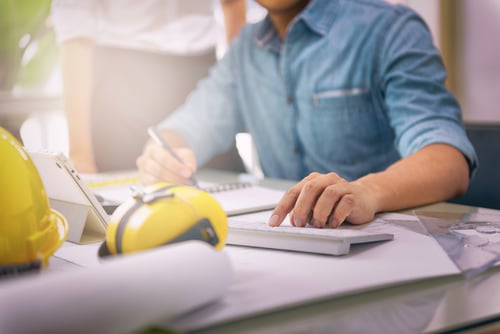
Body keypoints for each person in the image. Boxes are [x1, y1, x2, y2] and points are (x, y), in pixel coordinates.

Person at [136, 0, 478, 229]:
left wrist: (366, 192)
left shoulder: (389, 28)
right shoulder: (245, 50)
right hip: (288, 253)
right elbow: (187, 126)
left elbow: (448, 161)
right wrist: (164, 157)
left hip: (386, 253)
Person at [51, 0, 247, 173]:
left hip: (204, 76)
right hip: (123, 85)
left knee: (228, 194)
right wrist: (81, 157)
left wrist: (241, 87)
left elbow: (233, 4)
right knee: (128, 200)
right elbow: (75, 29)